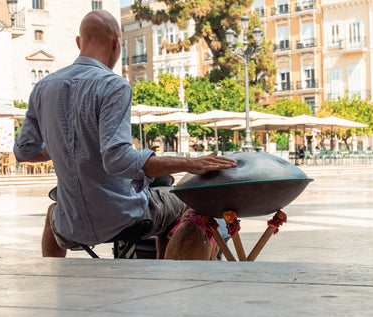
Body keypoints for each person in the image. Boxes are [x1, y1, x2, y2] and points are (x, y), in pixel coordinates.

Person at [13, 10, 237, 258]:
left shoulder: (43, 87)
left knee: (54, 213)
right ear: (116, 42)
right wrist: (190, 163)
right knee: (185, 203)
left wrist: (62, 147)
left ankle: (54, 276)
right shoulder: (113, 84)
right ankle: (169, 277)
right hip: (122, 217)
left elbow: (24, 151)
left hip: (71, 224)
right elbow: (118, 159)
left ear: (79, 42)